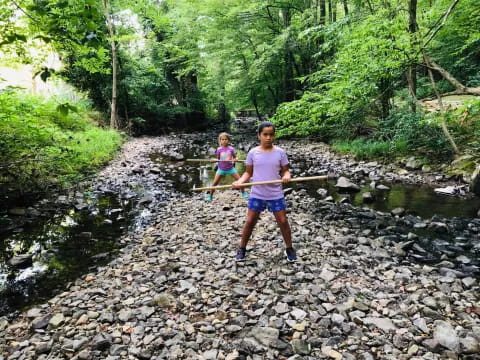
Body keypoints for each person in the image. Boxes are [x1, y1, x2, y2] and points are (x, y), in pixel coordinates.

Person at [232, 121, 297, 262]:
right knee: (250, 221)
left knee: (283, 221)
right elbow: (248, 173)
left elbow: (286, 170)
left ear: (274, 136)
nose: (268, 137)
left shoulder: (280, 152)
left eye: (271, 134)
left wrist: (286, 176)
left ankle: (289, 248)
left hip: (275, 194)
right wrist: (239, 182)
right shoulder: (253, 153)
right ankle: (242, 248)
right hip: (257, 193)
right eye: (265, 134)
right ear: (259, 136)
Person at [205, 132, 249, 202]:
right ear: (220, 141)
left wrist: (236, 159)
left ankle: (243, 193)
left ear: (228, 140)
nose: (224, 141)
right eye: (222, 139)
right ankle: (210, 196)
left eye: (226, 139)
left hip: (230, 169)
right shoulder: (219, 149)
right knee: (214, 183)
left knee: (240, 181)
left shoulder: (231, 149)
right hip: (221, 169)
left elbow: (235, 158)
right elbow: (218, 159)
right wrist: (214, 160)